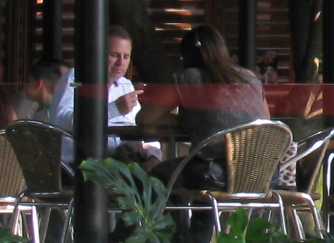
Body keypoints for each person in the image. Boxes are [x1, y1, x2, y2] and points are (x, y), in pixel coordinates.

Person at [44, 26, 152, 161]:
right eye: (114, 55)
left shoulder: (126, 85)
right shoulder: (76, 78)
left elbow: (140, 128)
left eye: (126, 57)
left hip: (117, 163)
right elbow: (61, 121)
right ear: (99, 53)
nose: (120, 63)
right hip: (77, 166)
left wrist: (154, 156)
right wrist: (114, 109)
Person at [170, 25, 264, 152]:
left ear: (187, 56)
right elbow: (265, 119)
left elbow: (146, 118)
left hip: (214, 168)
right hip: (263, 168)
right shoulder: (250, 77)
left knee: (158, 170)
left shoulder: (188, 78)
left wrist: (187, 120)